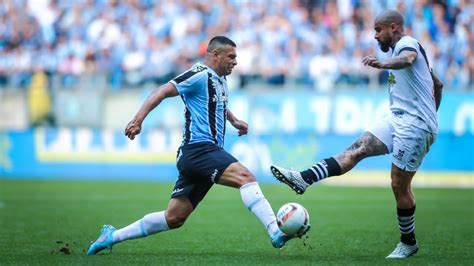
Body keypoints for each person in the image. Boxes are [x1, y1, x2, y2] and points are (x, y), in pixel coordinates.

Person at [86, 36, 309, 256]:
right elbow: (162, 91)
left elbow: (216, 103)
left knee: (174, 218)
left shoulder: (220, 79)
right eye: (231, 56)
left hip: (201, 154)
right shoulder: (198, 74)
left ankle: (111, 236)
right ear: (215, 55)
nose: (235, 61)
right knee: (246, 178)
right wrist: (138, 119)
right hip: (199, 149)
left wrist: (233, 120)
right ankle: (274, 231)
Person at [270, 10, 443, 259]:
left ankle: (409, 243)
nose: (375, 36)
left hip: (415, 126)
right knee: (357, 148)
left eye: (378, 30)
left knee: (399, 185)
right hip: (397, 118)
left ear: (393, 28)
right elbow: (438, 84)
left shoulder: (406, 44)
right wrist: (433, 112)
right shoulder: (406, 52)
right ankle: (303, 178)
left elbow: (407, 59)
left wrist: (385, 66)